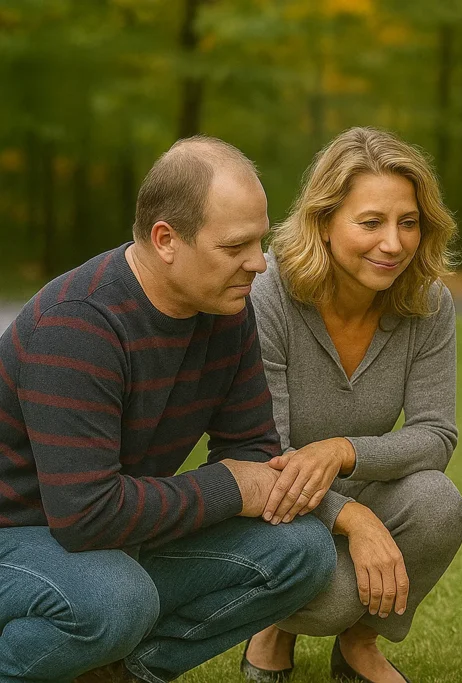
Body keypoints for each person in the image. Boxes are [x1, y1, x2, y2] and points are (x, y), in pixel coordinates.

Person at [0, 136, 337, 683]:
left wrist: (241, 483)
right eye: (235, 247)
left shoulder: (226, 310)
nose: (259, 265)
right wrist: (228, 487)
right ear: (166, 240)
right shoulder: (79, 326)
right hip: (17, 537)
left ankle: (123, 673)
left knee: (301, 550)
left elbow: (253, 454)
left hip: (102, 539)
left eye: (260, 241)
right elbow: (85, 514)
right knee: (116, 597)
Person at [242, 127, 462, 683]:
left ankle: (359, 644)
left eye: (408, 222)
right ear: (324, 221)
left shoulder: (427, 301)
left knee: (439, 503)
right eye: (371, 222)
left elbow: (436, 435)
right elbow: (261, 449)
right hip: (272, 499)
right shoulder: (266, 295)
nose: (393, 243)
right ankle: (276, 628)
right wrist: (353, 518)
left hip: (355, 479)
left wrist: (344, 452)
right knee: (333, 596)